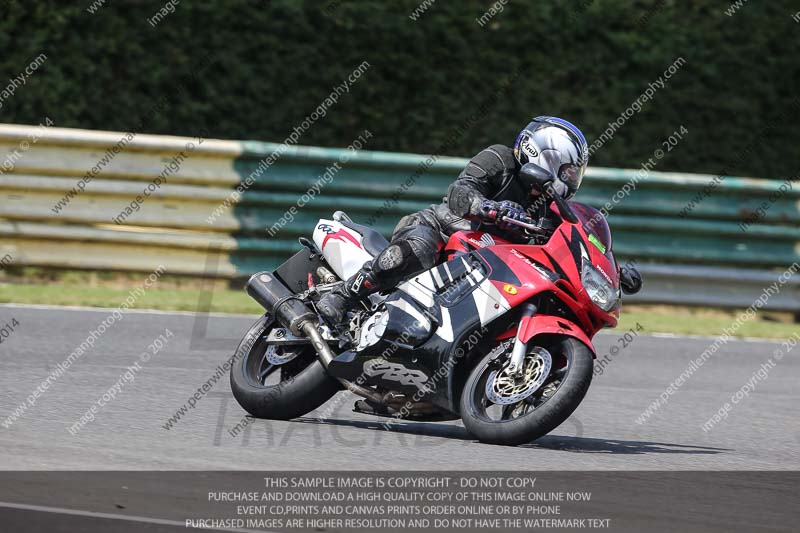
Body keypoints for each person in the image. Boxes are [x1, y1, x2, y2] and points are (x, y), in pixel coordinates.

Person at [318, 116, 641, 324]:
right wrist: (489, 207)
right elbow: (460, 191)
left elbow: (573, 239)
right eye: (567, 170)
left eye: (574, 173)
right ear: (543, 153)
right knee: (418, 249)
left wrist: (609, 267)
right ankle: (344, 295)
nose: (570, 179)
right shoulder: (500, 159)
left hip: (488, 263)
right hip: (441, 229)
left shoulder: (549, 206)